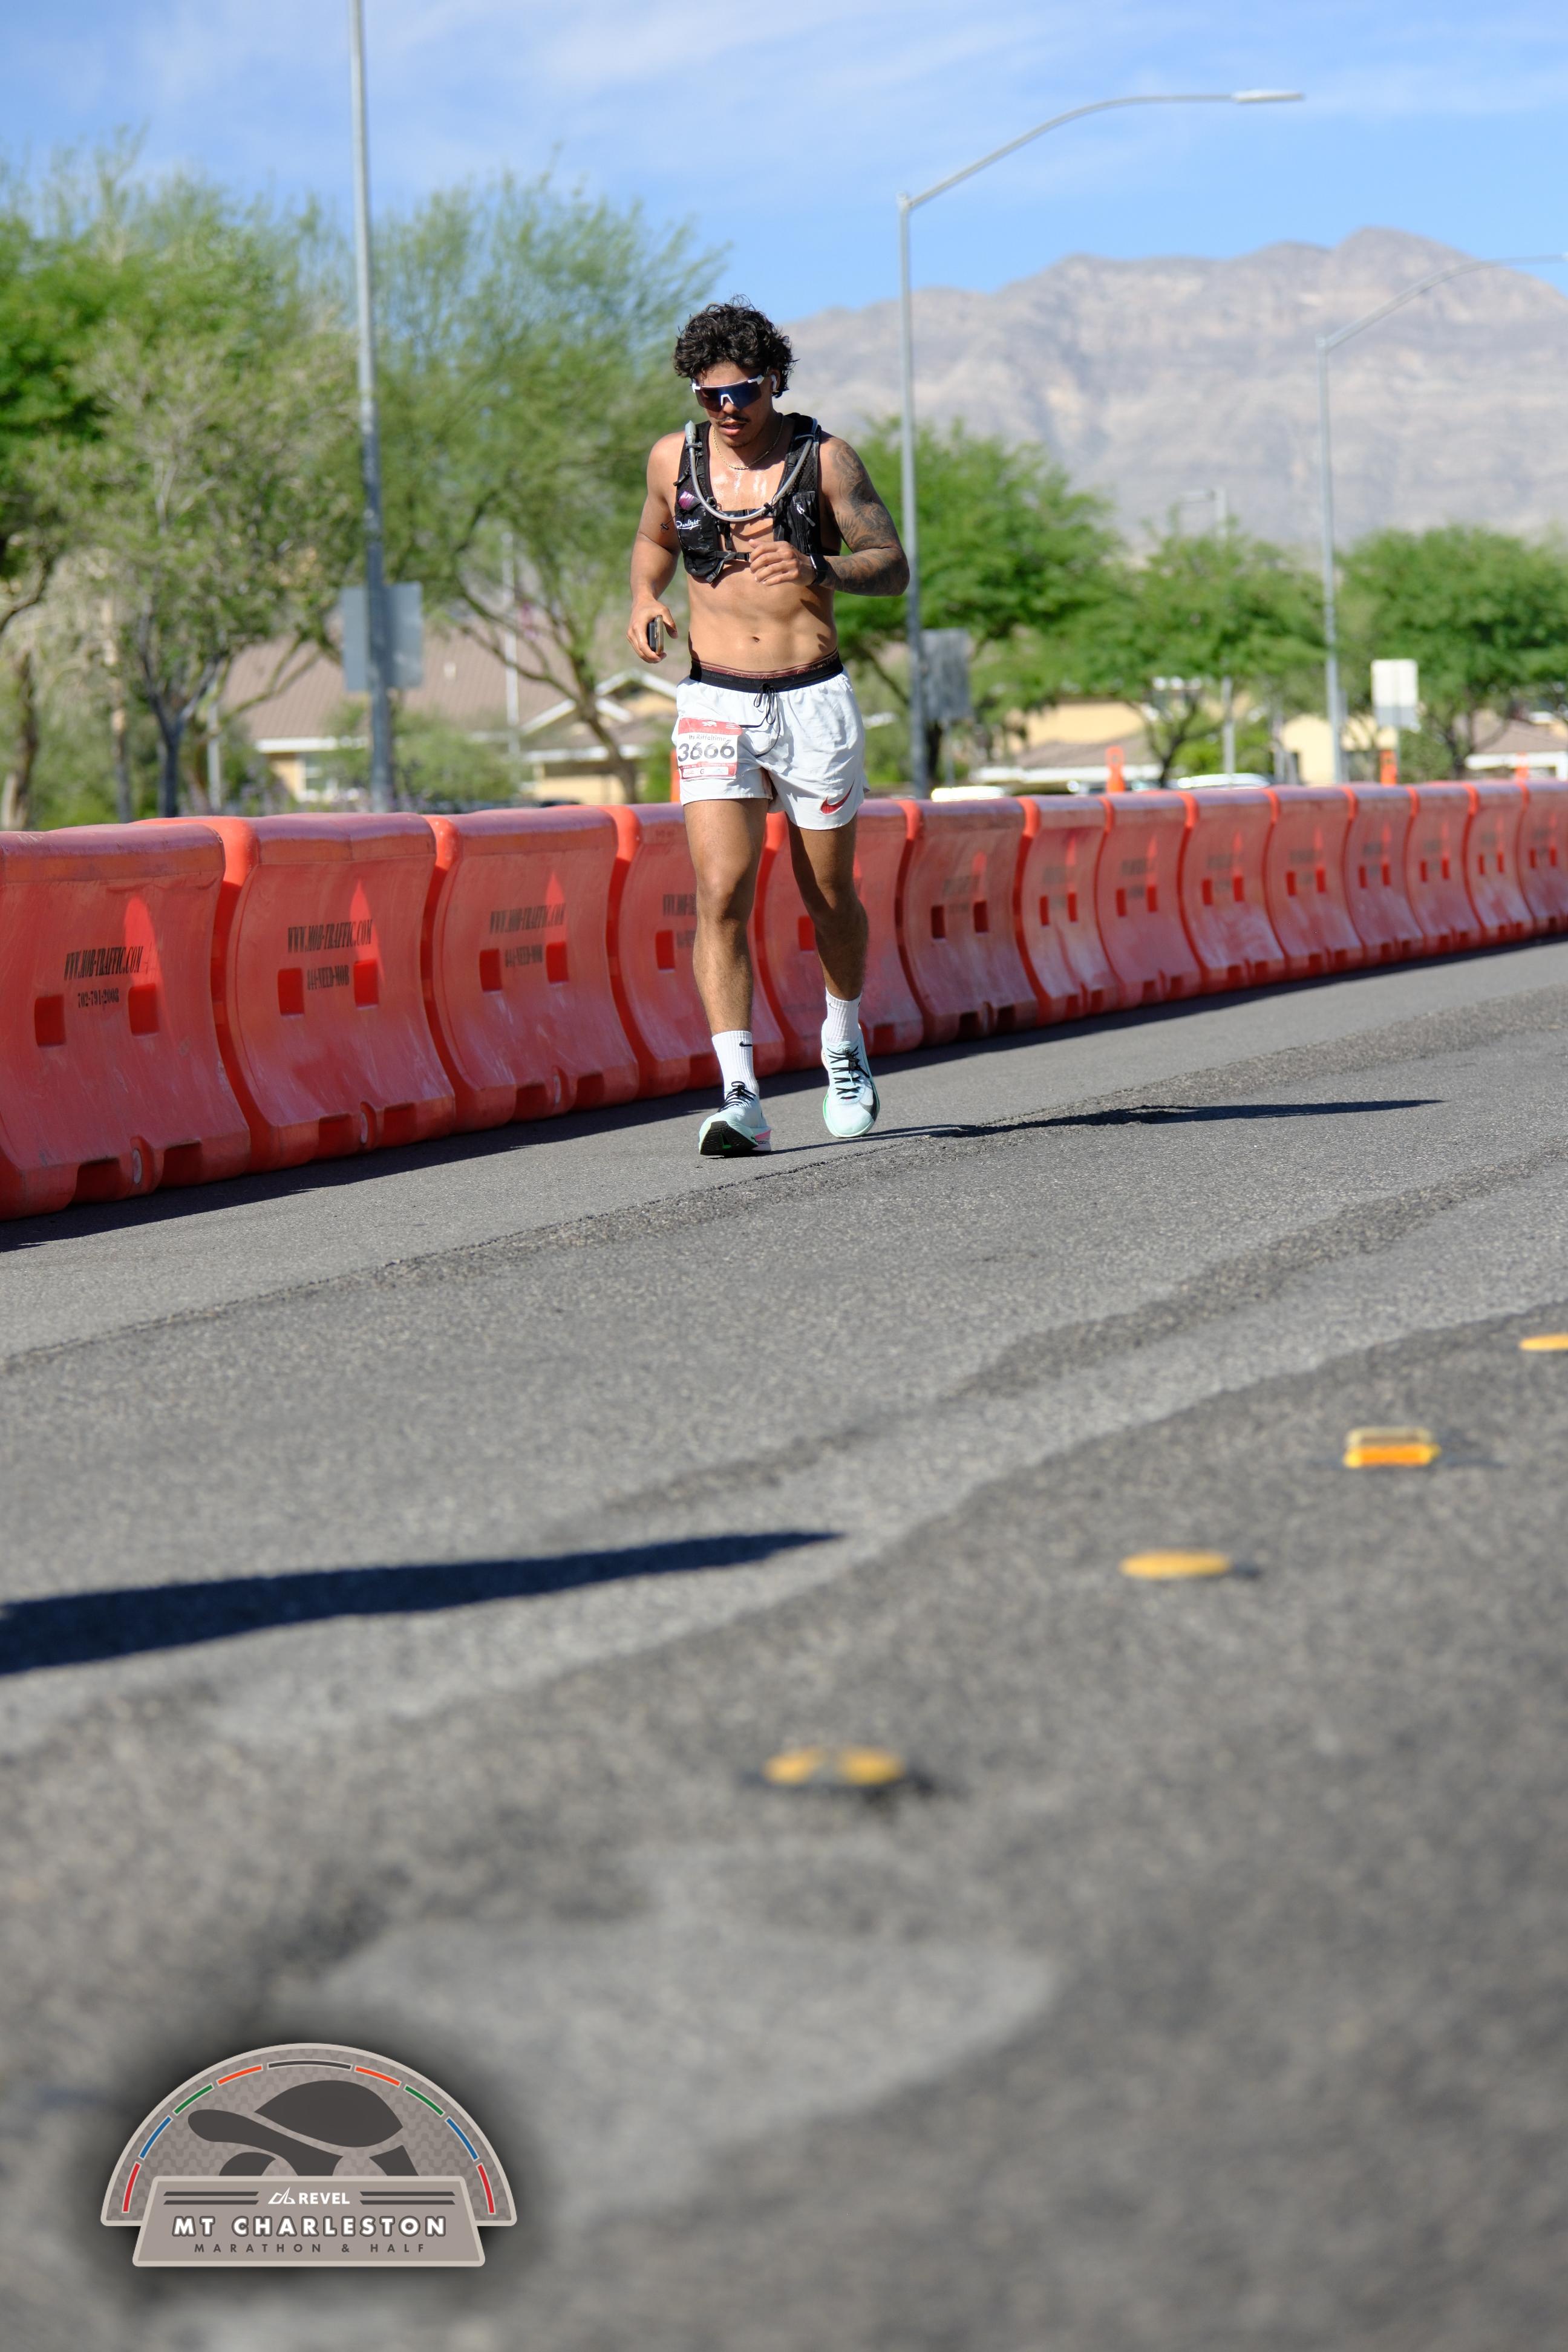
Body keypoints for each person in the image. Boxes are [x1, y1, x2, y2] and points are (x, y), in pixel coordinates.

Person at [627, 299, 909, 1156]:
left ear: (774, 381)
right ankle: (740, 1095)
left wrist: (819, 564)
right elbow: (653, 540)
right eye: (707, 393)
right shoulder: (674, 459)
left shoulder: (825, 458)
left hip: (812, 697)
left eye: (742, 392)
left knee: (828, 896)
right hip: (715, 700)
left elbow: (891, 567)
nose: (726, 408)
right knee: (721, 891)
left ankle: (843, 1044)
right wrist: (642, 598)